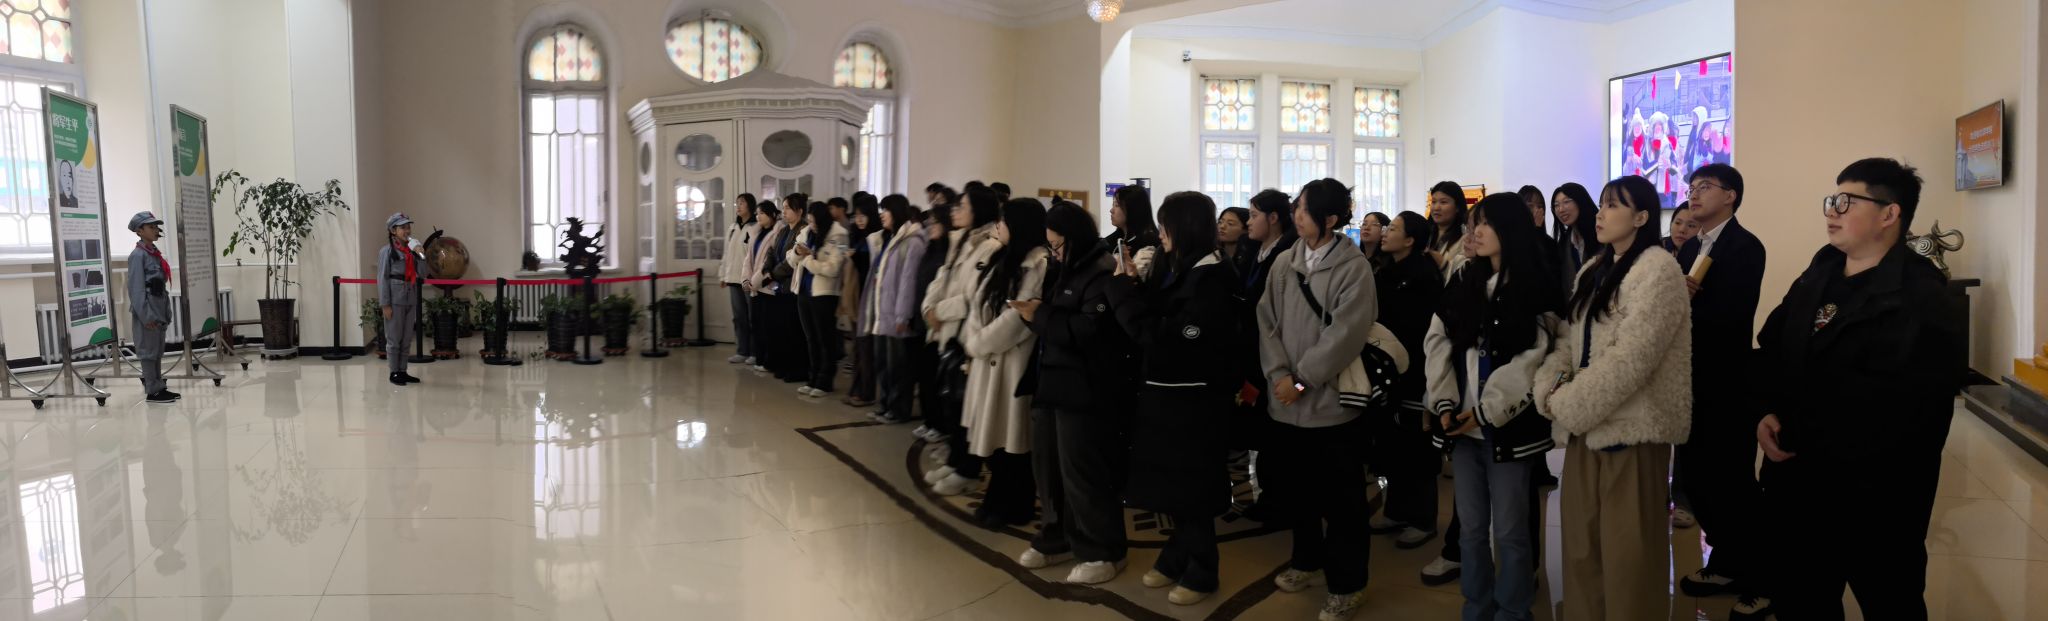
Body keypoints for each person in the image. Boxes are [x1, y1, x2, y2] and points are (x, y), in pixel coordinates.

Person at [1753, 158, 1961, 621]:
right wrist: (1766, 409)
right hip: (1796, 482)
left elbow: (1919, 413)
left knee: (1889, 600)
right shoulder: (1821, 270)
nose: (1833, 209)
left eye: (1848, 201)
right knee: (1801, 598)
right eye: (1833, 199)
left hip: (1875, 497)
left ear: (1890, 214)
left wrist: (1823, 440)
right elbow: (1773, 345)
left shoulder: (1922, 296)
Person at [1534, 175, 1693, 621]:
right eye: (1601, 204)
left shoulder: (1659, 270)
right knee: (1582, 547)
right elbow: (1569, 340)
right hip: (1586, 430)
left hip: (1632, 431)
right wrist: (1551, 385)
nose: (1600, 214)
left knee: (1629, 556)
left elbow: (1634, 357)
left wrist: (1572, 404)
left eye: (1612, 205)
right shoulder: (1594, 269)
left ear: (1641, 217)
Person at [1423, 193, 1563, 621]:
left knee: (1510, 530)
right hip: (1461, 429)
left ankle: (1513, 610)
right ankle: (1476, 607)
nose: (1475, 232)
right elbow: (1438, 341)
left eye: (1484, 223)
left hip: (1507, 431)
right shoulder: (1464, 279)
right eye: (1473, 224)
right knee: (1469, 530)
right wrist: (1444, 401)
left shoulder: (1535, 285)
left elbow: (1534, 359)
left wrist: (1486, 411)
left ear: (1510, 229)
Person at [1104, 192, 1242, 605]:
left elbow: (1162, 337)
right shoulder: (1183, 267)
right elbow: (1158, 314)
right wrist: (1133, 283)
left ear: (1183, 228)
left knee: (1191, 484)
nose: (1160, 234)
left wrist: (1121, 293)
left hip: (1196, 400)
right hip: (1170, 397)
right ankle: (1176, 555)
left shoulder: (1213, 278)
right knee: (1172, 482)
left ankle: (1203, 569)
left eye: (1165, 226)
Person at [1257, 178, 1378, 621]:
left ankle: (1348, 585)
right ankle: (1306, 561)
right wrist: (1278, 375)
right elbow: (1266, 321)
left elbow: (1346, 335)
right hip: (1286, 404)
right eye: (1296, 207)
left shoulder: (1353, 268)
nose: (1296, 215)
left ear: (1330, 219)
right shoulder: (1285, 262)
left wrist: (1302, 380)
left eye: (1304, 209)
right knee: (1298, 493)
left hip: (1331, 408)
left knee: (1343, 503)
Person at [1011, 200, 1135, 584]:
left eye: (1058, 245)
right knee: (1048, 468)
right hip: (1053, 381)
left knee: (1083, 473)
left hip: (1085, 388)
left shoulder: (1101, 271)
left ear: (1075, 238)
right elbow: (1056, 319)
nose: (1054, 252)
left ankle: (1104, 550)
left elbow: (1088, 330)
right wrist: (1034, 314)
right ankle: (1057, 537)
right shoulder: (1066, 267)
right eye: (1050, 246)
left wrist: (1040, 315)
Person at [1673, 163, 1770, 612]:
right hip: (1689, 378)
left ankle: (1761, 576)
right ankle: (1728, 562)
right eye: (1692, 187)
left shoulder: (1745, 246)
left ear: (1730, 196)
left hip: (1726, 381)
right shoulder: (1690, 246)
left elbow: (1734, 315)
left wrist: (1691, 301)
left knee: (1731, 481)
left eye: (1705, 187)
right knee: (1697, 480)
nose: (1694, 194)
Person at [959, 198, 1050, 527]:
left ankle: (1014, 504)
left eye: (1004, 220)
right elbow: (977, 301)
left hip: (1012, 362)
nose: (998, 226)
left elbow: (1018, 319)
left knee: (1012, 440)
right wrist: (974, 337)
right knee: (992, 437)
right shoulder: (1002, 257)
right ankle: (998, 498)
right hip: (987, 358)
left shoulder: (1038, 264)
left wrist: (979, 343)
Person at [1367, 211, 1441, 549]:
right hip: (1389, 371)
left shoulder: (1424, 275)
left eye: (1393, 228)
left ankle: (1423, 519)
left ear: (1410, 239)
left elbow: (1423, 329)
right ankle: (1396, 510)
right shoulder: (1386, 271)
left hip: (1416, 371)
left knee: (1417, 447)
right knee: (1394, 443)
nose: (1385, 232)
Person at [924, 188, 1003, 496]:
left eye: (963, 206)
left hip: (965, 335)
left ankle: (967, 469)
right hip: (947, 330)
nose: (955, 211)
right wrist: (929, 308)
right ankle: (955, 461)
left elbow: (973, 296)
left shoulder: (989, 246)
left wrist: (939, 311)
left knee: (963, 406)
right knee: (950, 403)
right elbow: (942, 279)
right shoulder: (961, 241)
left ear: (978, 210)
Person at [1237, 188, 1298, 523]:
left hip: (1278, 357)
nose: (1249, 222)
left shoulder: (1286, 254)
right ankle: (1271, 496)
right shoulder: (1254, 250)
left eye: (1254, 215)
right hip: (1254, 352)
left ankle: (1280, 500)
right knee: (1262, 429)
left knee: (1277, 433)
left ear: (1274, 218)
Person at [870, 195, 929, 424]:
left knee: (899, 368)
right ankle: (886, 404)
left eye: (885, 210)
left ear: (896, 212)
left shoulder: (913, 242)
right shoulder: (894, 238)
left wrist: (903, 316)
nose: (882, 215)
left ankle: (898, 410)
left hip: (898, 316)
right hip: (885, 312)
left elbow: (908, 282)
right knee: (884, 364)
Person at [789, 197, 849, 396]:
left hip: (825, 294)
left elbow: (833, 269)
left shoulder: (840, 235)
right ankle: (812, 378)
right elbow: (790, 258)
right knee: (811, 338)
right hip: (804, 291)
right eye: (809, 221)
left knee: (825, 339)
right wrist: (797, 252)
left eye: (814, 222)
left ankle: (825, 381)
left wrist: (807, 258)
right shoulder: (806, 232)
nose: (811, 225)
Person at [908, 199, 955, 442]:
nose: (930, 225)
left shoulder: (950, 253)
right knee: (923, 375)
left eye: (935, 221)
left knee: (936, 377)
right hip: (922, 318)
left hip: (939, 324)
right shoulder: (931, 249)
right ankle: (929, 420)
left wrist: (934, 312)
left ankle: (939, 424)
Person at [751, 199, 807, 383]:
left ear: (799, 211)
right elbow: (772, 251)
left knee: (794, 330)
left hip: (792, 284)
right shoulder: (783, 230)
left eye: (788, 208)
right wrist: (767, 268)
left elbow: (791, 261)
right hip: (780, 286)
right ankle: (783, 365)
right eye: (783, 208)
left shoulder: (802, 230)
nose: (784, 212)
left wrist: (774, 274)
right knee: (781, 329)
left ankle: (797, 369)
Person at [127, 211, 178, 403]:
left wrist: (166, 310)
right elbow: (136, 289)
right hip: (147, 310)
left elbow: (160, 286)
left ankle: (159, 386)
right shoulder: (137, 256)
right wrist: (146, 315)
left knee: (157, 350)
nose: (156, 230)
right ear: (139, 231)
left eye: (156, 227)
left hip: (158, 306)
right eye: (151, 227)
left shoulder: (154, 254)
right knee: (148, 351)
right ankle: (152, 390)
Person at [844, 194, 884, 408]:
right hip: (855, 295)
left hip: (869, 297)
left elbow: (873, 269)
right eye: (856, 216)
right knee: (858, 346)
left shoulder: (877, 237)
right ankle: (856, 388)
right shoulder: (857, 236)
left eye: (863, 215)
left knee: (866, 347)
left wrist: (856, 258)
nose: (859, 220)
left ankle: (866, 392)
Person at [379, 212, 424, 387]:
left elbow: (423, 273)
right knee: (394, 338)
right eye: (403, 228)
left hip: (410, 298)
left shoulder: (412, 251)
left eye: (408, 227)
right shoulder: (387, 251)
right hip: (395, 299)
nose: (407, 231)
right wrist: (385, 304)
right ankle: (394, 372)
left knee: (406, 339)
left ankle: (403, 371)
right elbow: (382, 278)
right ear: (393, 231)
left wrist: (420, 253)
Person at [720, 193, 761, 365]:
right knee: (739, 317)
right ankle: (742, 351)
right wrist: (723, 274)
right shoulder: (732, 228)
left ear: (750, 205)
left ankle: (755, 352)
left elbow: (757, 255)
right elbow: (727, 253)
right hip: (733, 277)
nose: (738, 206)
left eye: (742, 203)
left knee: (753, 317)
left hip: (748, 280)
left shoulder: (756, 227)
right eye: (737, 203)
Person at [1105, 185, 1161, 280]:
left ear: (1133, 209)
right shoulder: (1110, 241)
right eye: (1113, 205)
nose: (1111, 210)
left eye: (1117, 205)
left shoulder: (1150, 243)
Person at [1552, 183, 1599, 288]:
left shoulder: (1602, 235)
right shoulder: (1564, 243)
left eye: (1566, 202)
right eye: (1556, 205)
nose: (1561, 209)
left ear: (1580, 201)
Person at [1426, 181, 1468, 280]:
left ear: (1457, 207)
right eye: (1433, 202)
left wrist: (1443, 264)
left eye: (1443, 202)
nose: (1436, 207)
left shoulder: (1466, 238)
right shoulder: (1425, 232)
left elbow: (1465, 275)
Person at [1664, 201, 1703, 272]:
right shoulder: (1658, 249)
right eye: (1678, 223)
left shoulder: (1703, 257)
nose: (1682, 230)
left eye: (1691, 225)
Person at [1218, 206, 1253, 276]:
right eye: (1220, 222)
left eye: (1230, 224)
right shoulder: (1212, 253)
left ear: (1246, 229)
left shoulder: (1250, 259)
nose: (1222, 226)